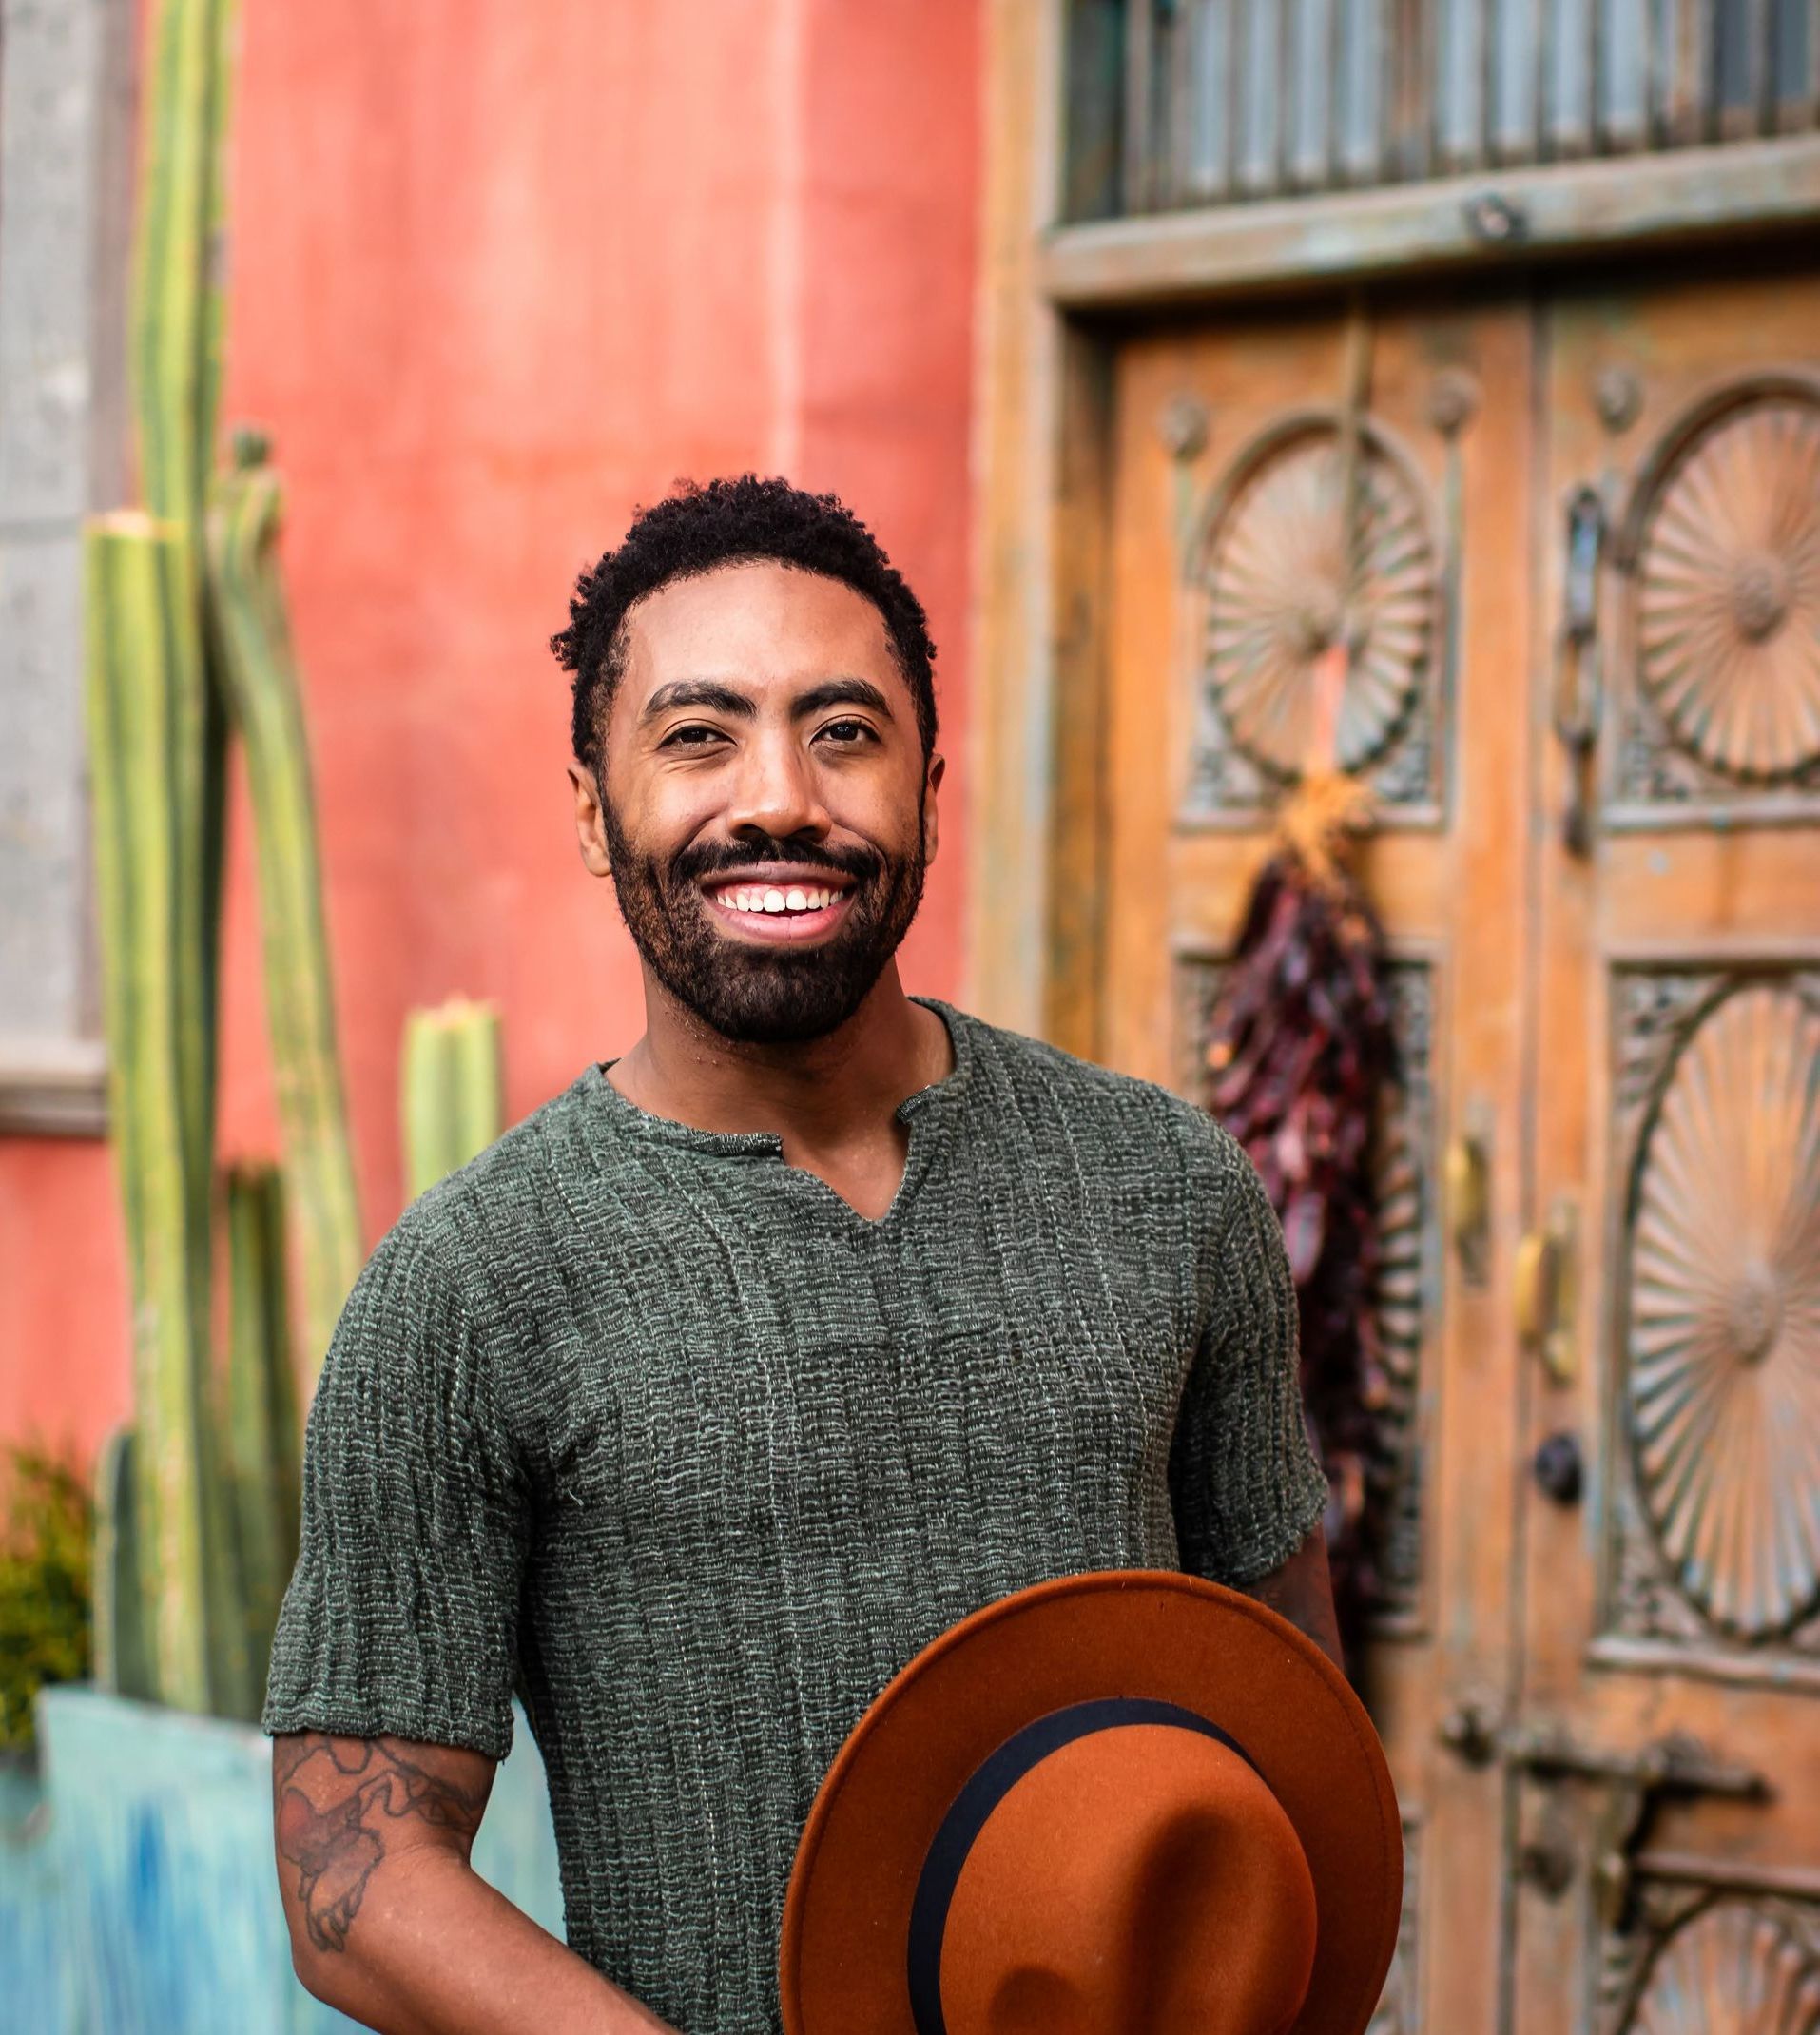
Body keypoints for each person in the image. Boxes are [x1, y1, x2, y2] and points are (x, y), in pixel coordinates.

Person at [263, 475, 1338, 2035]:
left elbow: (1286, 1710)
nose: (779, 797)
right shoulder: (471, 1288)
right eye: (697, 736)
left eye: (843, 731)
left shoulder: (1168, 1190)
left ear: (929, 784)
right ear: (587, 806)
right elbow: (348, 1880)